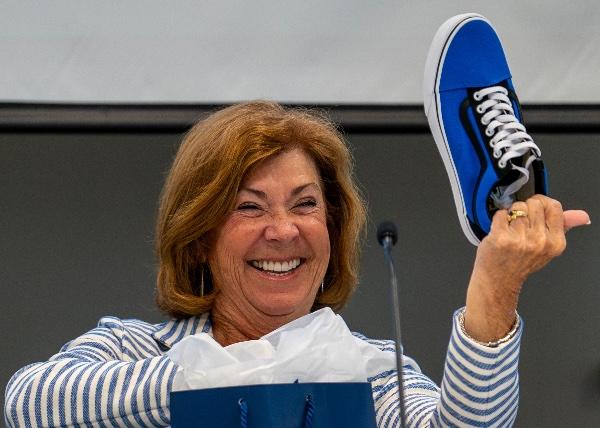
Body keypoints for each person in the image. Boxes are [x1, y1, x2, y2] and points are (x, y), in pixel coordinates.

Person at [4, 101, 590, 427]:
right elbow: (30, 403)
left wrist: (497, 282)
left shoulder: (370, 373)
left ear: (331, 228)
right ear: (200, 236)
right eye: (248, 207)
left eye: (306, 205)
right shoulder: (135, 350)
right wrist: (250, 370)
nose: (282, 231)